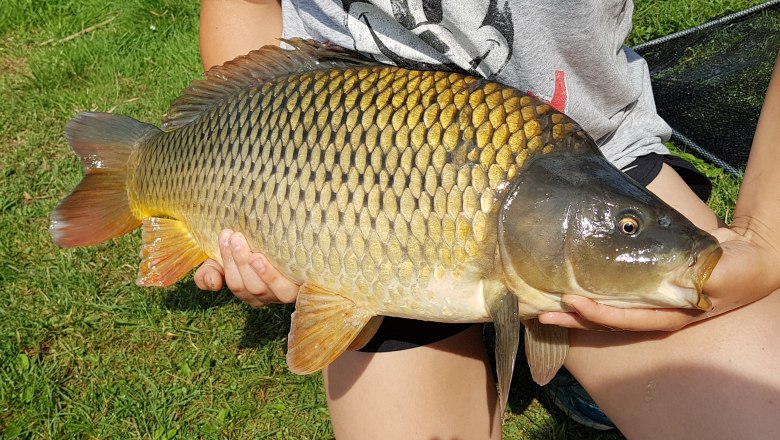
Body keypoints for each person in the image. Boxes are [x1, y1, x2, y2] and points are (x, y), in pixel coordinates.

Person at [197, 1, 780, 438]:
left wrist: (767, 236)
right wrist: (258, 185)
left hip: (595, 153)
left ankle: (561, 333)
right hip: (347, 169)